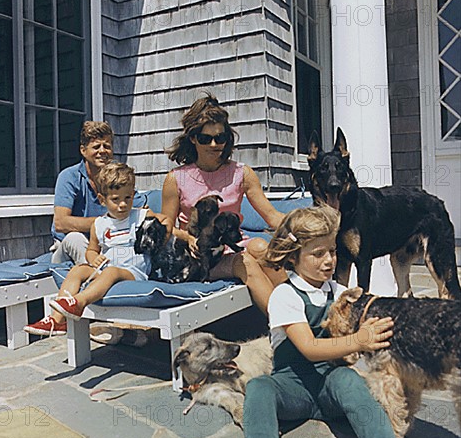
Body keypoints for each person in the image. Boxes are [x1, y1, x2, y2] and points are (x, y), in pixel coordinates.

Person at [242, 205, 410, 438]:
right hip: (292, 388)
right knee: (259, 388)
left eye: (332, 251)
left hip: (331, 386)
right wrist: (358, 341)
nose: (329, 260)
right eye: (318, 254)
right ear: (293, 258)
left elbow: (370, 314)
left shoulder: (340, 291)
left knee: (350, 380)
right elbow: (308, 348)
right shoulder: (285, 296)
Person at [161, 93, 286, 313]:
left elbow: (271, 215)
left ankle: (300, 310)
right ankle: (287, 324)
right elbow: (166, 227)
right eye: (205, 138)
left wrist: (306, 228)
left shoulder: (242, 173)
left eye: (220, 138)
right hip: (200, 257)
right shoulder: (176, 179)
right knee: (245, 262)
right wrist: (188, 237)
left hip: (233, 245)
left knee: (260, 247)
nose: (214, 144)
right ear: (193, 138)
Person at [47, 163, 172, 322]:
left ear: (133, 195)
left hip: (133, 271)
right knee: (78, 270)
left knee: (112, 272)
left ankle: (79, 302)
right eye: (115, 199)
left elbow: (165, 221)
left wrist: (161, 239)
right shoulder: (99, 224)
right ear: (102, 200)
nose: (123, 204)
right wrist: (93, 258)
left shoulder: (141, 216)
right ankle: (56, 320)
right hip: (105, 269)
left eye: (128, 198)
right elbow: (92, 250)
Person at [50, 121, 145, 265]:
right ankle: (96, 277)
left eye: (107, 146)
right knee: (75, 238)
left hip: (105, 245)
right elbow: (61, 223)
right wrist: (106, 223)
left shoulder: (115, 178)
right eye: (96, 147)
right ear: (83, 150)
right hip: (68, 247)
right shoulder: (69, 176)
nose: (102, 151)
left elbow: (139, 210)